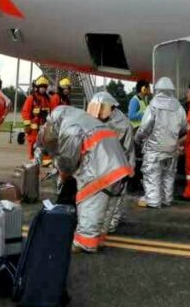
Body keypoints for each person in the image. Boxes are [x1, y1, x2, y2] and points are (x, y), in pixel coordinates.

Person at [37, 105, 132, 253]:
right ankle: (98, 239)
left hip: (101, 169)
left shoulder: (70, 128)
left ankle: (85, 243)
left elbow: (68, 161)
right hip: (119, 166)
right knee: (106, 208)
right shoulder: (83, 119)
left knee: (90, 203)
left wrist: (62, 174)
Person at [87, 92, 136, 236]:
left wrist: (129, 169)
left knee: (116, 197)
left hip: (117, 166)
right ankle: (101, 222)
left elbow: (129, 149)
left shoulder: (123, 125)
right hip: (100, 164)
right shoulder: (96, 121)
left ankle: (112, 222)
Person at [135, 77, 188, 208]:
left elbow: (145, 127)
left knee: (152, 174)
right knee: (168, 176)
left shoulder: (153, 105)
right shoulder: (179, 107)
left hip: (154, 149)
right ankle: (166, 199)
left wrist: (138, 138)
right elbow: (184, 127)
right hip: (172, 149)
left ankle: (153, 200)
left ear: (157, 90)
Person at [21, 76, 51, 160]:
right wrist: (27, 125)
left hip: (44, 124)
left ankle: (45, 160)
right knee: (33, 142)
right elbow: (25, 112)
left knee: (45, 142)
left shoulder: (47, 99)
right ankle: (33, 159)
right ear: (37, 87)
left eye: (44, 87)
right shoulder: (31, 98)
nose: (43, 89)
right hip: (33, 126)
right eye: (41, 87)